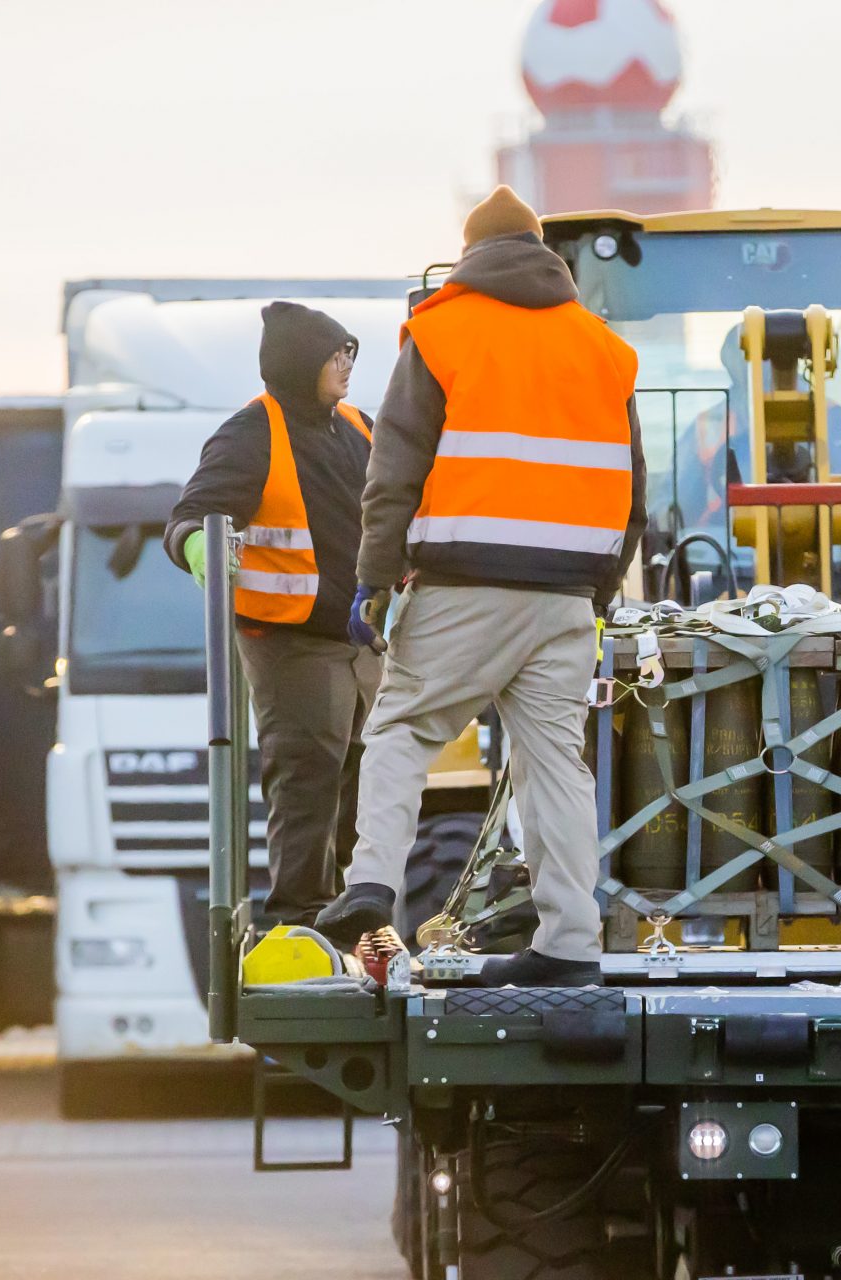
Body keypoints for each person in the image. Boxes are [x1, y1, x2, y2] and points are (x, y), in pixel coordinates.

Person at [315, 186, 647, 987]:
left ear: (468, 257)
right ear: (547, 256)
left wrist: (371, 584)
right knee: (555, 767)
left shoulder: (440, 333)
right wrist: (596, 592)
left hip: (463, 581)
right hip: (567, 595)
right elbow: (635, 489)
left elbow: (392, 475)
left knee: (401, 729)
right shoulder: (605, 349)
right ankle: (570, 943)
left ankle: (372, 886)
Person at [162, 303, 378, 925]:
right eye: (336, 354)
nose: (346, 365)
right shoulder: (250, 433)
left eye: (350, 353)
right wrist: (198, 545)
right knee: (310, 775)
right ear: (299, 362)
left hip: (362, 637)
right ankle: (300, 916)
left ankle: (350, 911)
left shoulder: (360, 427)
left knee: (367, 777)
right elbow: (187, 517)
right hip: (288, 639)